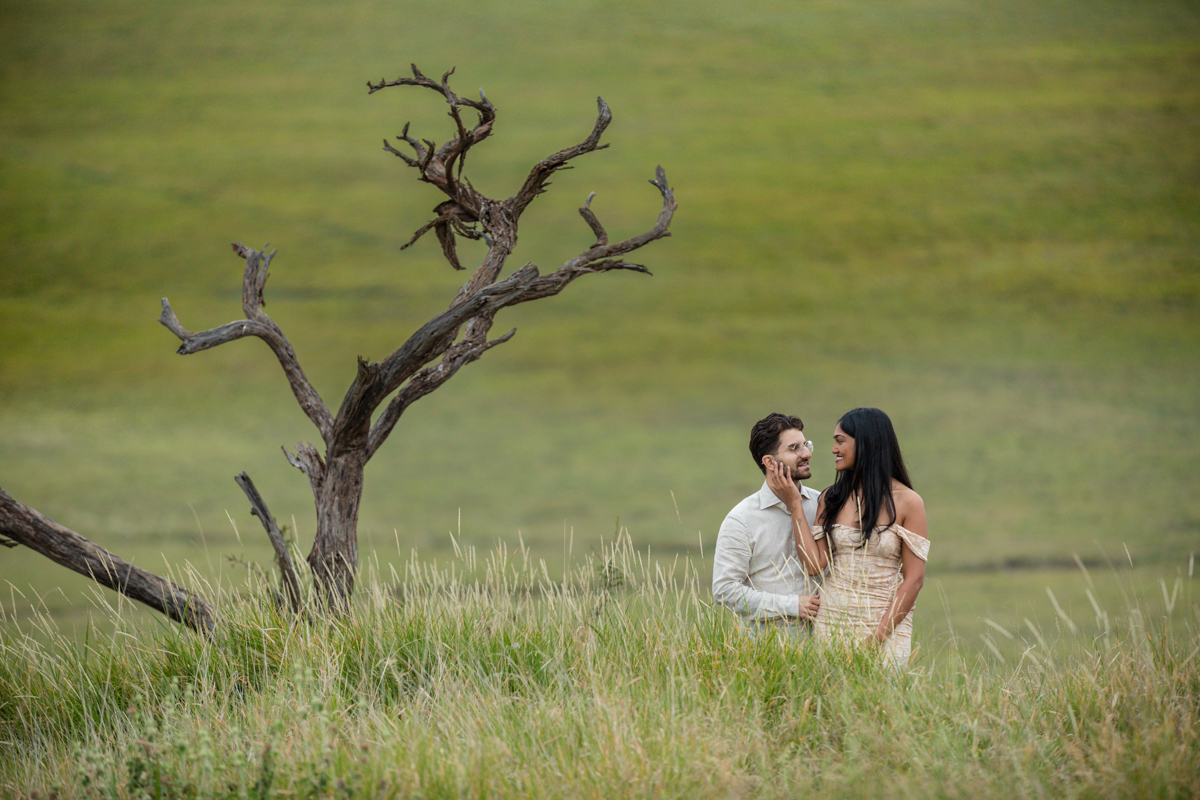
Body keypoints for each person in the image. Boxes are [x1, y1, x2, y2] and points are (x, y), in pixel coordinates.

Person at [767, 407, 929, 669]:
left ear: (866, 443)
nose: (833, 449)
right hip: (833, 620)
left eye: (840, 441)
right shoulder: (832, 497)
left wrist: (875, 639)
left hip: (885, 625)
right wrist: (795, 504)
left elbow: (914, 580)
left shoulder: (909, 502)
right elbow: (813, 565)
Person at [712, 413, 824, 638]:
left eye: (806, 444)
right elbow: (724, 591)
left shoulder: (823, 505)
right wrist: (793, 606)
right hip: (766, 649)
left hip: (827, 644)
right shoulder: (742, 519)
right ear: (770, 462)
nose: (807, 454)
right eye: (795, 448)